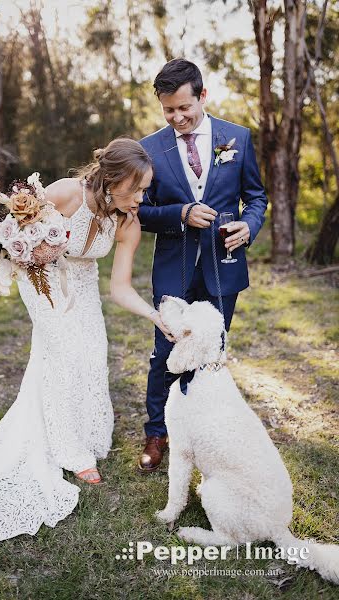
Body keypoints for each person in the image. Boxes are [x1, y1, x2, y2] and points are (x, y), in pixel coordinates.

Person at [0, 138, 171, 552]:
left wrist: (155, 316)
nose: (141, 198)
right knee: (64, 353)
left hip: (82, 286)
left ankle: (85, 432)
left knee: (93, 357)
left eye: (145, 190)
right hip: (40, 281)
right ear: (112, 180)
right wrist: (22, 256)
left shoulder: (128, 223)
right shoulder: (67, 193)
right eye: (136, 189)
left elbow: (119, 287)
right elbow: (13, 234)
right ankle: (66, 449)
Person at [137, 58, 268, 473]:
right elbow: (141, 212)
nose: (177, 118)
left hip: (222, 265)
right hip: (173, 267)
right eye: (168, 110)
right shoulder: (150, 148)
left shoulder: (238, 138)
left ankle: (205, 431)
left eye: (184, 108)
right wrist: (180, 213)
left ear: (202, 96)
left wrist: (248, 226)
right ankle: (157, 432)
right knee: (165, 351)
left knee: (213, 351)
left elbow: (257, 197)